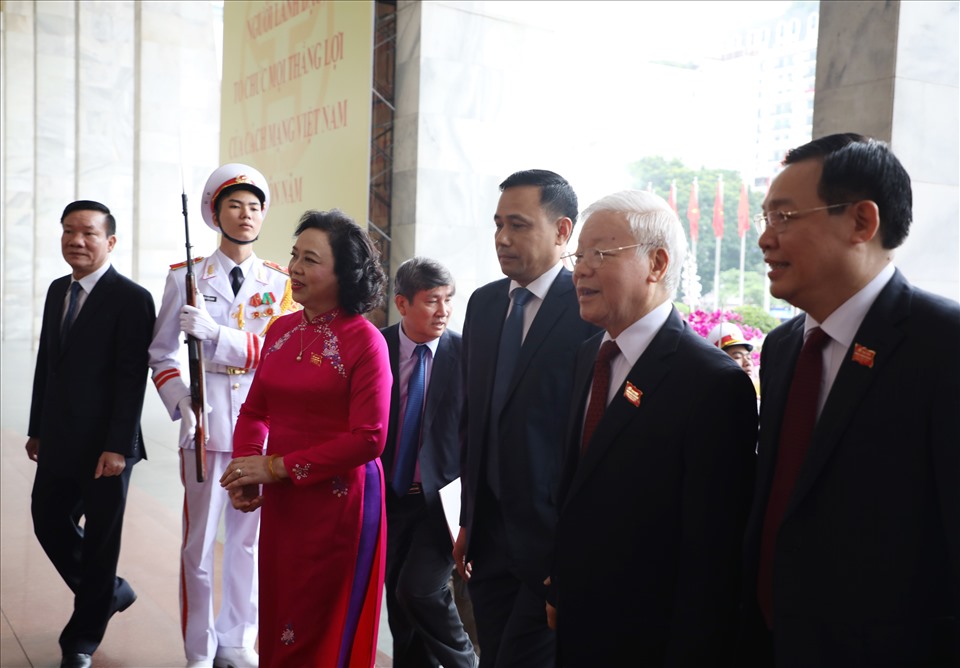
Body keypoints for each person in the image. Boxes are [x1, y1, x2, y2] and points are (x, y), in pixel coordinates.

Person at [741, 133, 960, 666]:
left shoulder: (943, 346)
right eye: (766, 219)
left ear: (862, 222)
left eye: (786, 218)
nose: (766, 240)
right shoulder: (785, 345)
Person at [548, 190, 758, 665]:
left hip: (652, 639)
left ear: (657, 263)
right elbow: (576, 489)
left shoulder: (711, 382)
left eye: (599, 254)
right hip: (578, 625)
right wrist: (560, 584)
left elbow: (712, 556)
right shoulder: (589, 356)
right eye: (579, 255)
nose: (580, 269)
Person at [220, 209, 391, 667]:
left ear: (344, 274)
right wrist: (245, 469)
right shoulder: (279, 330)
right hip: (284, 503)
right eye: (294, 255)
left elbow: (370, 437)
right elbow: (255, 410)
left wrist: (274, 467)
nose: (294, 268)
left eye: (310, 260)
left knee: (322, 626)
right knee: (282, 613)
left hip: (339, 504)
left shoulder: (365, 341)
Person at [148, 163, 296, 668]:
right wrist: (180, 403)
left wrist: (216, 336)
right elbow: (161, 353)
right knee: (198, 549)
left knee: (247, 545)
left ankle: (237, 641)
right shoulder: (185, 277)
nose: (246, 214)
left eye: (255, 207)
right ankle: (199, 647)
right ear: (215, 213)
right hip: (205, 428)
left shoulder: (278, 283)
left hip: (259, 432)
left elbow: (279, 352)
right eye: (235, 205)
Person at [454, 169, 599, 667]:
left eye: (518, 225)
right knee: (491, 652)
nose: (502, 239)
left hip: (549, 540)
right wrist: (468, 519)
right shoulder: (484, 304)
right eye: (497, 225)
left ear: (563, 232)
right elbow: (475, 420)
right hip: (488, 537)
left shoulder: (585, 309)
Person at [26, 200, 156, 668]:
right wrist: (37, 428)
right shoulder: (59, 290)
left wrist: (119, 446)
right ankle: (109, 593)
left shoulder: (132, 298)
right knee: (47, 520)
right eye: (68, 232)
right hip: (58, 438)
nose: (75, 241)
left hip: (107, 447)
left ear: (110, 241)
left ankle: (81, 639)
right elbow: (48, 366)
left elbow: (130, 379)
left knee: (101, 539)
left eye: (87, 233)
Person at [380, 257, 477, 667]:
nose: (444, 311)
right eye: (432, 301)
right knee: (399, 607)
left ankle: (466, 662)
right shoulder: (376, 346)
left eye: (448, 300)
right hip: (388, 496)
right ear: (402, 304)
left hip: (441, 502)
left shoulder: (466, 355)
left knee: (419, 590)